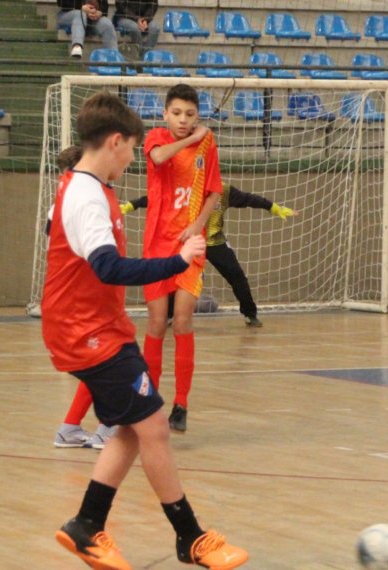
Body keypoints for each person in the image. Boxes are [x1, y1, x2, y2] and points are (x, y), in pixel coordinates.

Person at [42, 91, 248, 569]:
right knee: (153, 425)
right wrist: (174, 261)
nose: (134, 157)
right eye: (132, 148)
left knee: (135, 427)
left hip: (96, 325)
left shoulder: (84, 186)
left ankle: (87, 525)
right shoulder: (88, 196)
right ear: (114, 142)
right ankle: (191, 538)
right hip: (85, 330)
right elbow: (108, 268)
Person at [142, 83, 223, 434]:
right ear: (165, 114)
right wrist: (192, 139)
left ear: (197, 115)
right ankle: (150, 401)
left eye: (190, 115)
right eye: (176, 113)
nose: (183, 119)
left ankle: (181, 405)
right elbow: (160, 158)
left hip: (190, 245)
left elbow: (215, 191)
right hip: (157, 246)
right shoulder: (156, 138)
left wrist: (198, 224)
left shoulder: (209, 145)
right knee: (158, 322)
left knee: (183, 318)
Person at [122, 185, 297, 327]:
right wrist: (131, 205)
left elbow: (249, 199)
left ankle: (250, 314)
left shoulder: (225, 191)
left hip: (215, 242)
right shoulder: (187, 190)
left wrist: (273, 208)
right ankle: (169, 315)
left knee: (237, 276)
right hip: (192, 242)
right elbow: (154, 199)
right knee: (178, 279)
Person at [49, 144, 118, 451]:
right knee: (113, 363)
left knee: (100, 365)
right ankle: (109, 427)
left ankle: (71, 428)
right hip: (84, 300)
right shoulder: (83, 200)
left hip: (84, 298)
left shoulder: (68, 200)